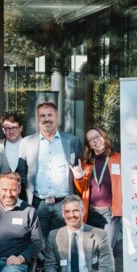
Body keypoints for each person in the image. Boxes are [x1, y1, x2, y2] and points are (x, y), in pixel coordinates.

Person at [19, 101, 83, 240]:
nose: (46, 118)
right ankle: (43, 263)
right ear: (37, 119)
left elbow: (79, 167)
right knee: (39, 243)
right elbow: (22, 171)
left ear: (57, 117)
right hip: (38, 203)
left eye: (50, 115)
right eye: (42, 115)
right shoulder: (27, 142)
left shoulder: (72, 141)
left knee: (63, 242)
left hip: (64, 203)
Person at [71, 126, 122, 254]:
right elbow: (80, 191)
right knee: (90, 251)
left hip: (110, 214)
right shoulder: (86, 163)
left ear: (104, 137)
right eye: (91, 139)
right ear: (89, 145)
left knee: (106, 251)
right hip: (90, 213)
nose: (95, 140)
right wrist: (78, 179)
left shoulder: (119, 159)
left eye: (97, 136)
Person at [0, 112, 28, 198]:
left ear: (21, 128)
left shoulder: (31, 145)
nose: (11, 131)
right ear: (3, 130)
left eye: (14, 127)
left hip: (26, 196)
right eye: (7, 128)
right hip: (4, 196)